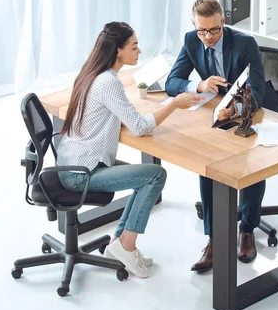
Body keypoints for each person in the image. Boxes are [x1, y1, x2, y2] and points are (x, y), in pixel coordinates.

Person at [57, 21, 202, 278]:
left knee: (144, 177)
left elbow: (109, 114)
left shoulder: (93, 73)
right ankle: (127, 244)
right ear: (118, 51)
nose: (139, 51)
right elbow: (140, 127)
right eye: (134, 46)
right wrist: (175, 103)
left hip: (74, 163)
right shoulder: (108, 82)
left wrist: (118, 116)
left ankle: (119, 243)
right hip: (81, 173)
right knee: (155, 175)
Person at [166, 0, 278, 273]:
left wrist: (235, 109)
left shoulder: (245, 44)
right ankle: (215, 238)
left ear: (224, 22)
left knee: (251, 162)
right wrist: (199, 84)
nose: (207, 37)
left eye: (214, 30)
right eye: (202, 30)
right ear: (194, 26)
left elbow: (256, 92)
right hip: (218, 111)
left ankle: (247, 229)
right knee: (209, 166)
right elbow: (173, 81)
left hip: (255, 110)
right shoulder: (191, 40)